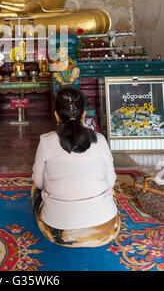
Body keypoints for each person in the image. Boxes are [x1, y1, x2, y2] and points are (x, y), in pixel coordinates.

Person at [32, 85, 120, 247]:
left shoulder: (46, 141)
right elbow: (111, 181)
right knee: (109, 190)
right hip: (106, 228)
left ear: (57, 115)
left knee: (34, 189)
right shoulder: (100, 139)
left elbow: (38, 183)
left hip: (57, 230)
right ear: (84, 114)